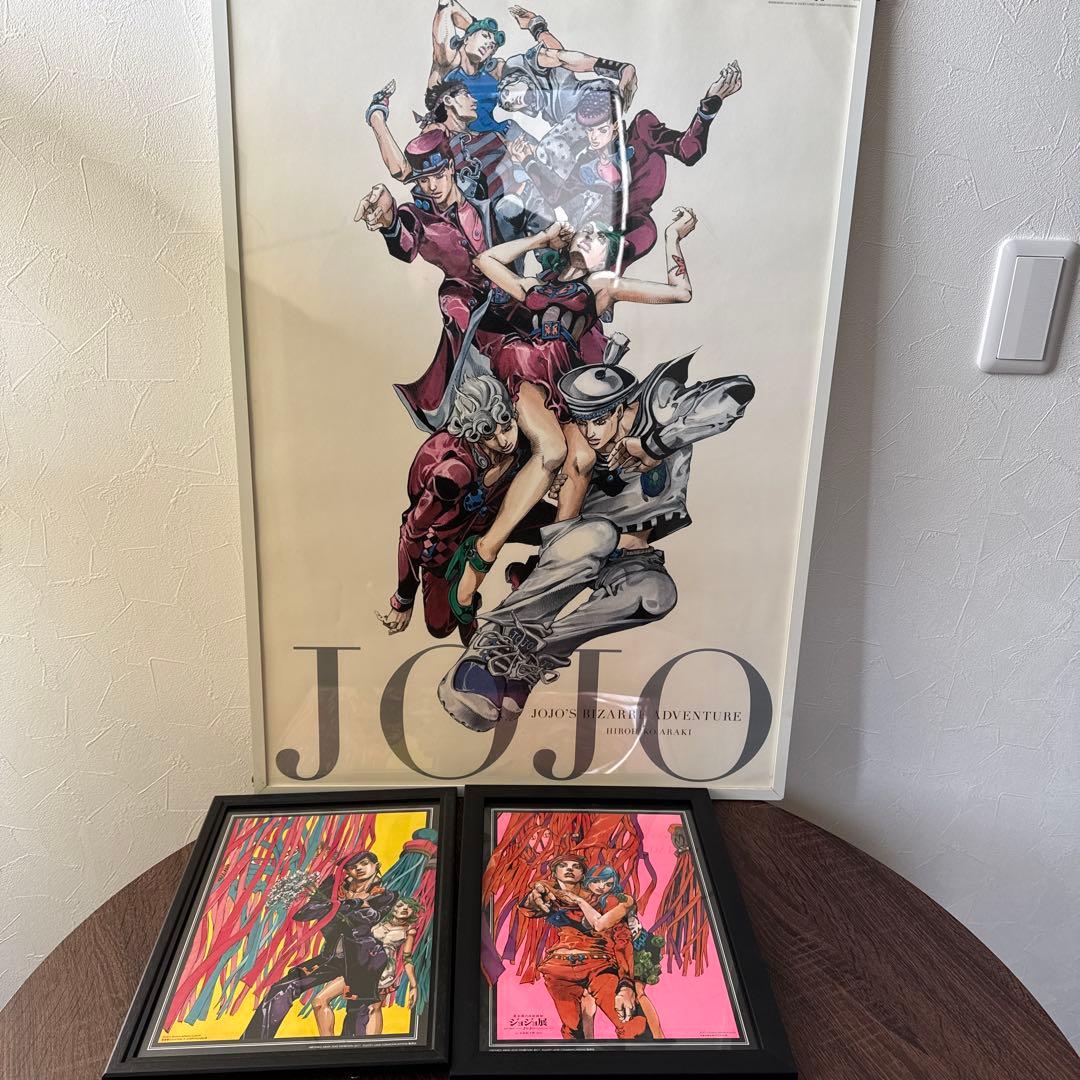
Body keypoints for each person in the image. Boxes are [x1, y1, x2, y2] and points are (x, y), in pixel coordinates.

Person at [438, 351, 755, 731]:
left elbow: (736, 394)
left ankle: (534, 657)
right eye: (582, 420)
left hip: (631, 560)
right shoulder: (576, 444)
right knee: (599, 534)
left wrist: (656, 444)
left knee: (658, 595)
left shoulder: (657, 410)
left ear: (622, 408)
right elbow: (563, 509)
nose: (590, 431)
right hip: (583, 543)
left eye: (600, 420)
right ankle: (489, 649)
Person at [441, 207, 699, 632]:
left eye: (599, 237)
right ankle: (481, 554)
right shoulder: (536, 285)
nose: (588, 235)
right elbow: (486, 260)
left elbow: (681, 293)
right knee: (553, 450)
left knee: (581, 460)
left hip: (567, 381)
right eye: (586, 231)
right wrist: (542, 239)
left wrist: (673, 237)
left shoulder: (601, 285)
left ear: (604, 258)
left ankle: (549, 571)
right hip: (525, 367)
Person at [356, 130, 533, 431]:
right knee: (504, 364)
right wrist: (389, 222)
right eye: (424, 180)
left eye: (437, 176)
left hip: (511, 296)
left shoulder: (481, 192)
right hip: (467, 306)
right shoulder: (417, 215)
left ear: (450, 167)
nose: (432, 186)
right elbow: (405, 245)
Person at [523, 63, 742, 265]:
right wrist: (528, 161)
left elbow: (688, 151)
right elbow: (556, 197)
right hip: (593, 227)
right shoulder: (586, 163)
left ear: (616, 126)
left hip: (635, 224)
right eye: (589, 131)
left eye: (601, 129)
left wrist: (709, 106)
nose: (594, 137)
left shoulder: (641, 131)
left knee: (641, 236)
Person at [377, 375, 525, 643]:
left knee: (560, 527)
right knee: (440, 626)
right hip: (448, 541)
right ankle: (468, 602)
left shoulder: (522, 434)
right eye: (490, 434)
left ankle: (525, 577)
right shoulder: (454, 473)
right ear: (474, 433)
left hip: (498, 514)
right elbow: (411, 531)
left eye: (506, 426)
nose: (504, 440)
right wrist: (404, 598)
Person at [242, 852, 398, 1041]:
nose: (358, 868)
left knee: (357, 1010)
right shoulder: (333, 886)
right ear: (347, 871)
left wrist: (335, 906)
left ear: (376, 865)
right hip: (331, 957)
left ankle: (352, 1052)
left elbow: (371, 918)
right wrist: (351, 903)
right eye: (352, 866)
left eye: (364, 863)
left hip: (365, 959)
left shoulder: (387, 895)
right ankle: (253, 1042)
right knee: (283, 987)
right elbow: (304, 913)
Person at [518, 852, 649, 1040]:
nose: (569, 869)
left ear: (584, 874)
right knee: (572, 1031)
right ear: (554, 872)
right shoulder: (549, 895)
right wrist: (536, 893)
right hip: (559, 969)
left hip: (599, 966)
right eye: (563, 865)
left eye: (576, 866)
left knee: (632, 1025)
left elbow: (622, 939)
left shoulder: (602, 899)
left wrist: (626, 984)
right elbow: (528, 909)